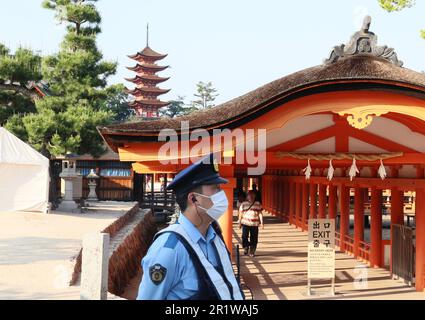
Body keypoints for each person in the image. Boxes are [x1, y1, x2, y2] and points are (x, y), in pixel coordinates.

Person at [137, 153, 244, 300]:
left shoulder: (214, 236)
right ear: (194, 199)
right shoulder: (168, 249)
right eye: (216, 188)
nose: (222, 194)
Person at [238, 190, 264, 257]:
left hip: (254, 223)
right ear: (247, 196)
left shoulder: (258, 204)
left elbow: (260, 213)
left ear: (255, 196)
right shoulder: (243, 204)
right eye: (250, 195)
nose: (251, 197)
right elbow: (240, 213)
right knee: (244, 236)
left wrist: (262, 222)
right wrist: (240, 222)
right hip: (245, 223)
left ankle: (252, 250)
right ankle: (246, 247)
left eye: (253, 195)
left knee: (254, 238)